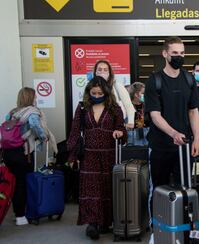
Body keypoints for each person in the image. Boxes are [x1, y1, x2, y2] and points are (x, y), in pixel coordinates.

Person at [145, 36, 199, 216]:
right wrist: (173, 133)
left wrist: (197, 139)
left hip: (184, 148)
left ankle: (183, 231)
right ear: (165, 54)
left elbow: (193, 111)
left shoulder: (189, 80)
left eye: (182, 53)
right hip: (160, 147)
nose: (179, 56)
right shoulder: (155, 80)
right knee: (159, 191)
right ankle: (158, 231)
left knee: (184, 190)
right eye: (175, 53)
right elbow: (155, 115)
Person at [67, 76, 127, 240]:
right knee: (91, 190)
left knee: (107, 189)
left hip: (109, 155)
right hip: (89, 155)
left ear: (106, 93)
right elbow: (74, 132)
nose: (97, 95)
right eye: (93, 92)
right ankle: (92, 223)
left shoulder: (114, 108)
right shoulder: (82, 108)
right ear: (88, 92)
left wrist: (120, 132)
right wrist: (72, 155)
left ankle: (105, 222)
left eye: (100, 92)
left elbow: (121, 128)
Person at [2, 87, 57, 226]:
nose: (36, 99)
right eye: (35, 96)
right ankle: (21, 215)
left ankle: (16, 212)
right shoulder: (32, 112)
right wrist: (44, 137)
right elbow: (34, 125)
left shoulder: (12, 112)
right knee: (23, 183)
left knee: (12, 182)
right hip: (23, 153)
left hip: (8, 153)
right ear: (31, 98)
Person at [93, 60, 135, 129]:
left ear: (109, 73)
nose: (102, 72)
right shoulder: (91, 87)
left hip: (117, 126)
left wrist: (130, 123)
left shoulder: (117, 86)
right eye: (99, 70)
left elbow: (129, 106)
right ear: (95, 72)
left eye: (105, 70)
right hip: (98, 127)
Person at [127, 81, 148, 146]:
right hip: (132, 141)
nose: (145, 95)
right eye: (143, 93)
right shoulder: (127, 106)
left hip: (146, 141)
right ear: (136, 94)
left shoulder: (147, 106)